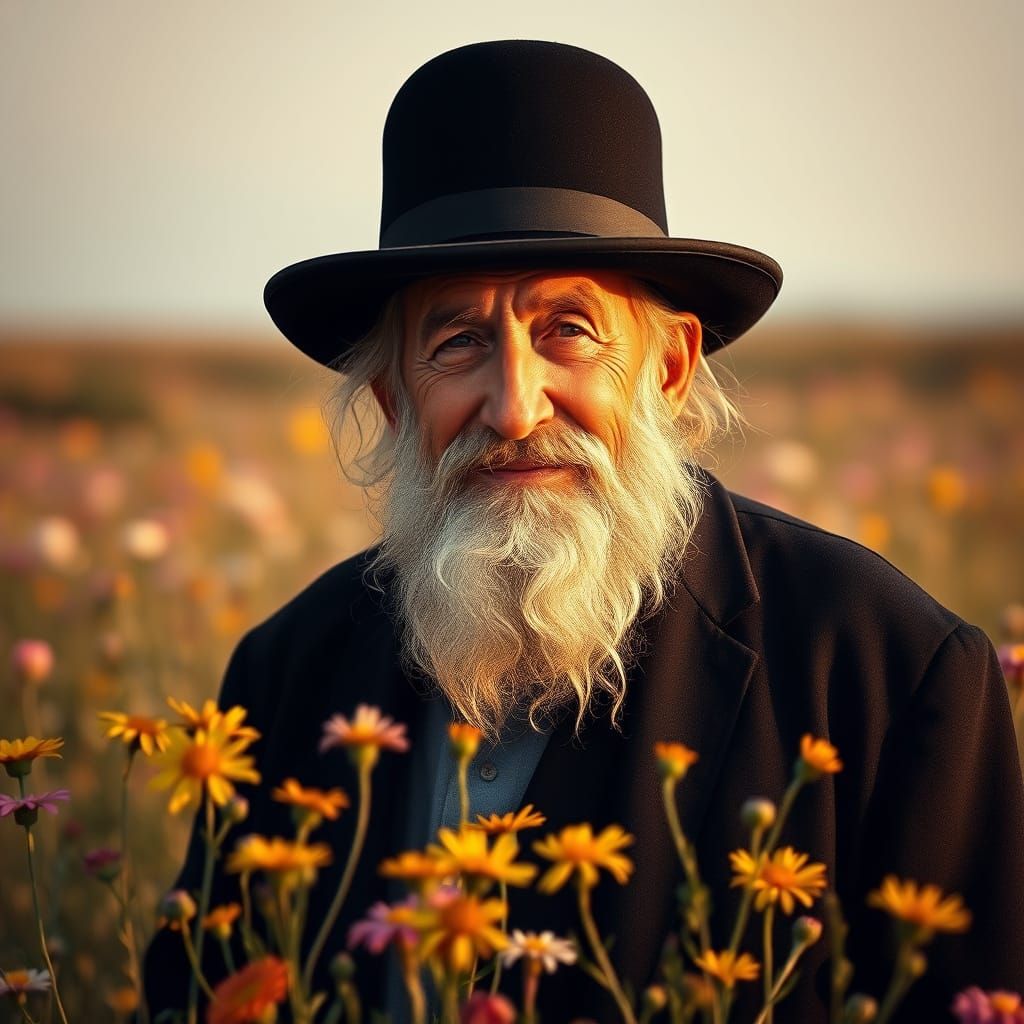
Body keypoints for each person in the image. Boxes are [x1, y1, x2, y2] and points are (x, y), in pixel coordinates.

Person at [144, 40, 1024, 1022]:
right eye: (459, 341)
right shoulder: (286, 674)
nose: (514, 407)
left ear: (667, 368)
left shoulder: (884, 670)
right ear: (395, 398)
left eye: (567, 327)